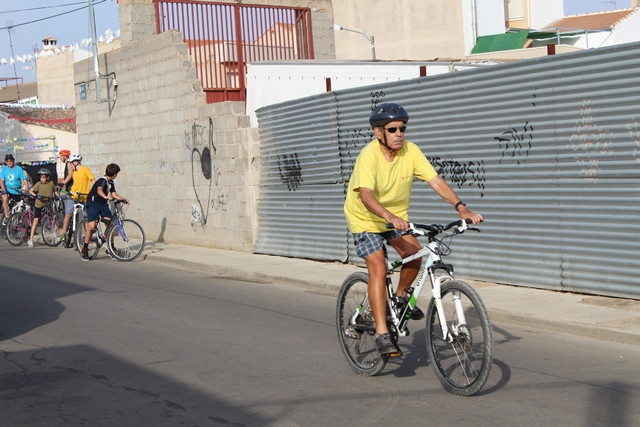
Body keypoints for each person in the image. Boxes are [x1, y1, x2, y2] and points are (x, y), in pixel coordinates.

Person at [343, 102, 484, 356]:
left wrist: (461, 207)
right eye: (393, 129)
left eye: (402, 128)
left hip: (396, 219)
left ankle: (398, 298)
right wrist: (389, 216)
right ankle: (382, 333)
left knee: (415, 255)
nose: (399, 133)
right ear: (378, 132)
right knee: (379, 267)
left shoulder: (411, 152)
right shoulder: (369, 156)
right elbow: (365, 195)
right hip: (365, 218)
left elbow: (435, 180)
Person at [81, 163, 129, 261]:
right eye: (117, 174)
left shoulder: (111, 183)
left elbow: (114, 194)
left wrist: (123, 199)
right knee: (92, 225)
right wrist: (106, 196)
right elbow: (99, 190)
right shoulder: (102, 180)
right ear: (115, 174)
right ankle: (85, 248)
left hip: (103, 205)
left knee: (110, 224)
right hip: (93, 203)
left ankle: (110, 248)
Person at [27, 168, 60, 248]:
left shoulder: (51, 183)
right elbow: (31, 191)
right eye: (41, 177)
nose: (42, 179)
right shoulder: (38, 184)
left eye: (44, 177)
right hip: (39, 203)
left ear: (47, 177)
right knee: (36, 219)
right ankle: (31, 239)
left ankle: (58, 236)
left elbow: (54, 190)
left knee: (54, 218)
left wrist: (58, 196)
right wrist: (36, 195)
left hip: (48, 202)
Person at [0, 154, 28, 226]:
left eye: (11, 161)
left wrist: (25, 188)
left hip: (17, 190)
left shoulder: (19, 169)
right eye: (8, 161)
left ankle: (17, 220)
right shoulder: (4, 169)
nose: (9, 162)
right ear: (6, 162)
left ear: (13, 161)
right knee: (4, 197)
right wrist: (4, 190)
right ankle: (6, 216)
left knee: (20, 205)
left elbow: (23, 180)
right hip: (8, 189)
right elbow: (1, 181)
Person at [56, 150, 77, 243]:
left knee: (68, 214)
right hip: (69, 190)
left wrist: (64, 182)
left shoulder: (69, 163)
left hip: (72, 191)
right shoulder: (67, 164)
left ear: (65, 156)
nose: (60, 158)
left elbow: (70, 174)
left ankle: (63, 234)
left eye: (61, 156)